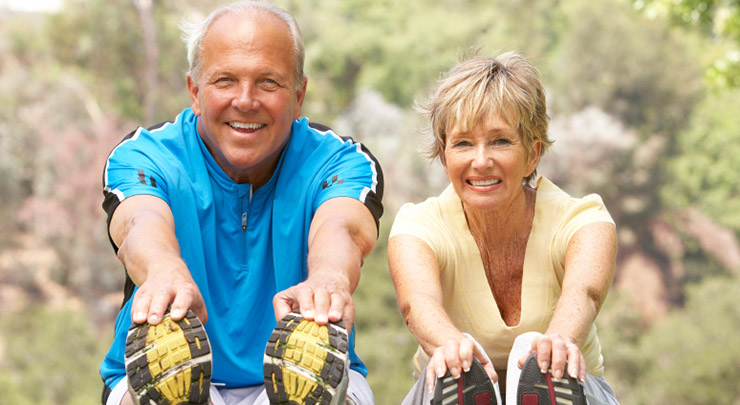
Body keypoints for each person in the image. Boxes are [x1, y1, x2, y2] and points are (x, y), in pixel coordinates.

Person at [99, 2, 383, 404]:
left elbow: (342, 227)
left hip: (305, 377)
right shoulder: (144, 156)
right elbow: (138, 223)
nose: (246, 101)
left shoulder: (340, 161)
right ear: (195, 92)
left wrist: (329, 279)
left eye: (268, 82)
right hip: (168, 375)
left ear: (299, 95)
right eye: (225, 81)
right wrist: (164, 272)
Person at [387, 51, 619, 405]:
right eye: (463, 143)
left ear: (532, 153)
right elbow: (417, 303)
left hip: (573, 388)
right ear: (444, 154)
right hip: (445, 388)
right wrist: (451, 347)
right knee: (453, 369)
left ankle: (549, 384)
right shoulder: (418, 227)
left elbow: (582, 293)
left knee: (548, 364)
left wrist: (558, 342)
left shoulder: (583, 222)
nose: (481, 161)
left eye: (500, 141)